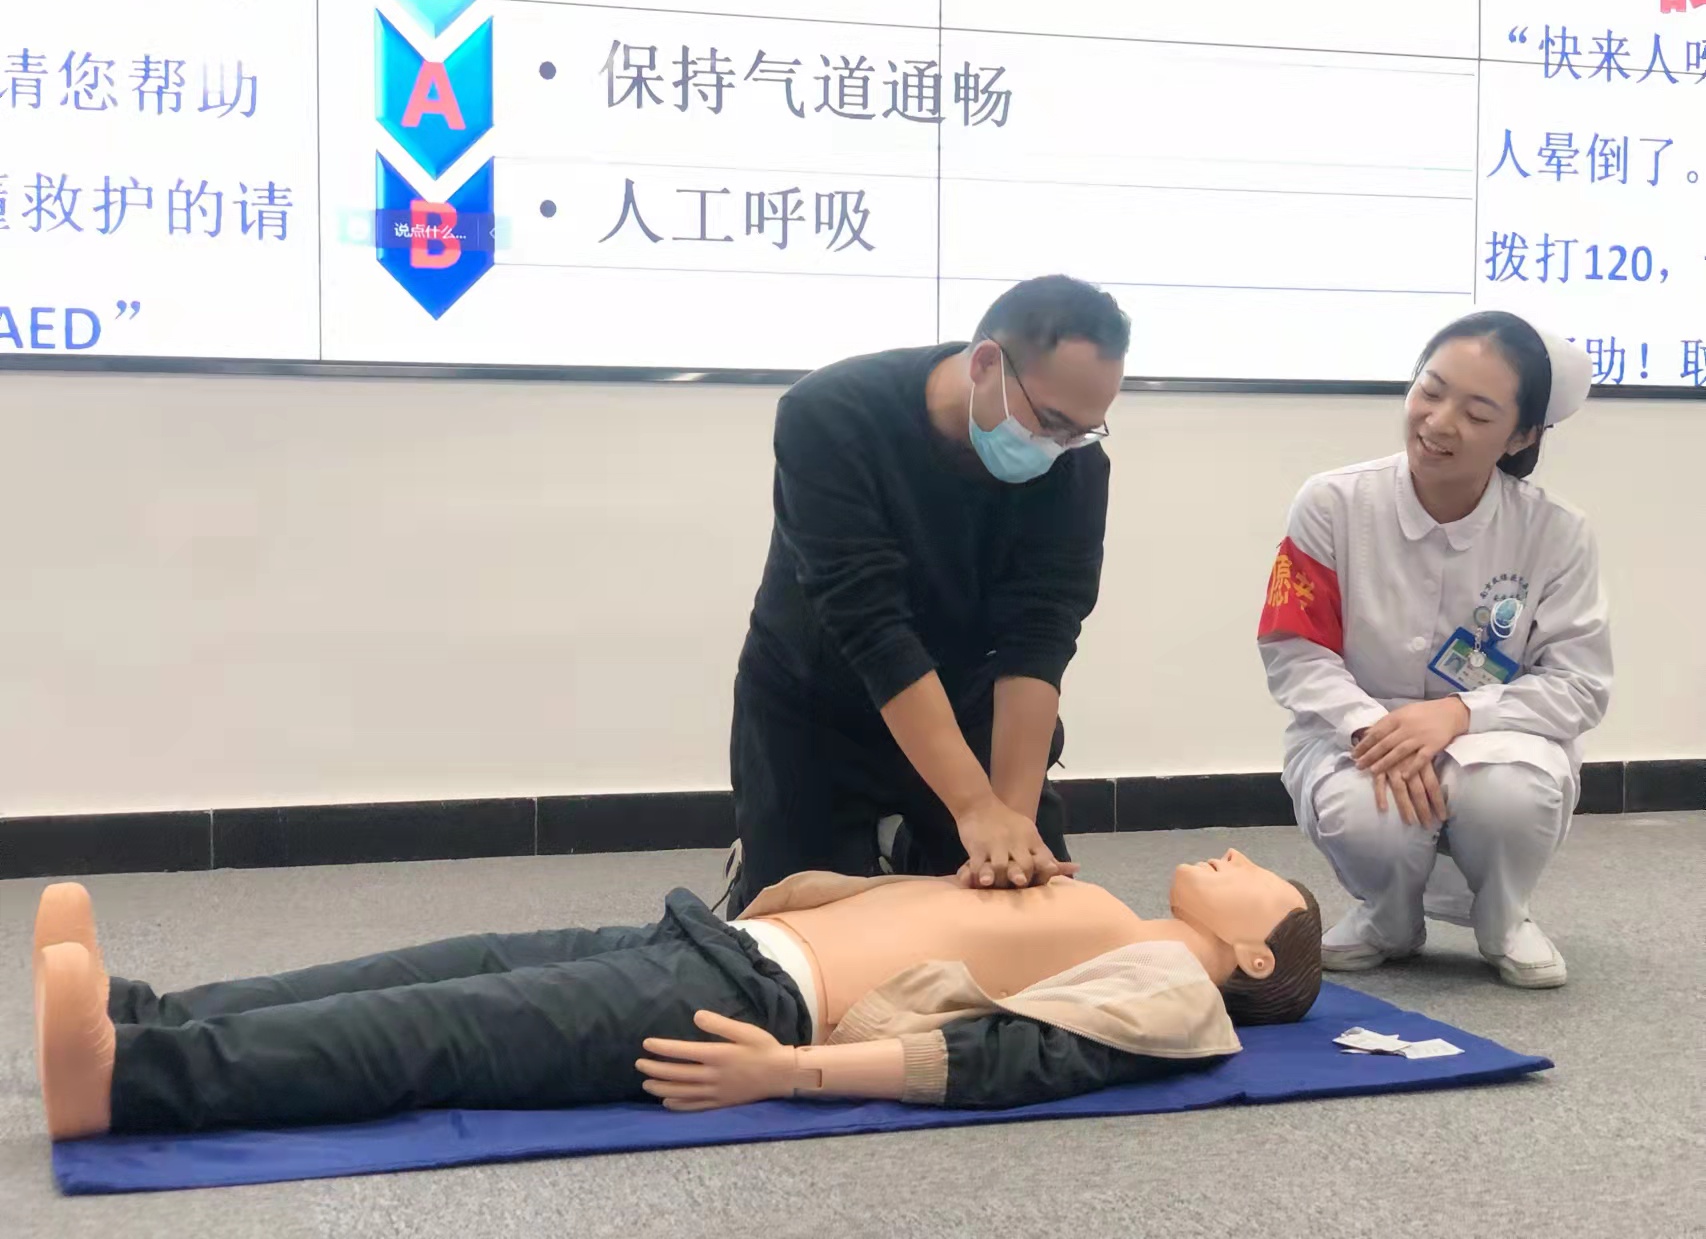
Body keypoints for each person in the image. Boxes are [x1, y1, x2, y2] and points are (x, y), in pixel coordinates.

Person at [31, 850, 1321, 1139]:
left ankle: (131, 1079)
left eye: (1261, 881)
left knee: (438, 1032)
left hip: (756, 1007)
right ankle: (148, 1010)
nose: (1237, 855)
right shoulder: (1111, 908)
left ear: (1255, 956)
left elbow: (1015, 1063)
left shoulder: (1177, 986)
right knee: (437, 964)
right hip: (726, 938)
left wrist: (790, 1074)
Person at [726, 275, 1132, 917]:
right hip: (815, 701)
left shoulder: (1074, 465)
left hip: (965, 698)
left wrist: (1010, 823)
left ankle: (918, 848)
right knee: (793, 931)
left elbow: (1041, 635)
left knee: (1029, 911)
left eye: (1083, 431)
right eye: (1052, 422)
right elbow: (870, 624)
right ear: (985, 363)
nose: (1060, 448)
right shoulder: (831, 414)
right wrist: (971, 806)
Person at [1257, 310, 1613, 990]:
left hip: (1498, 734)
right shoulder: (1332, 503)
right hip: (1362, 727)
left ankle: (1504, 917)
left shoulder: (1557, 533)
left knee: (1509, 796)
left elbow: (1580, 685)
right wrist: (1372, 728)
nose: (1439, 422)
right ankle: (1387, 917)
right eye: (1431, 389)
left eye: (1477, 414)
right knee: (1367, 812)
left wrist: (1458, 715)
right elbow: (1296, 647)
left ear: (1523, 435)